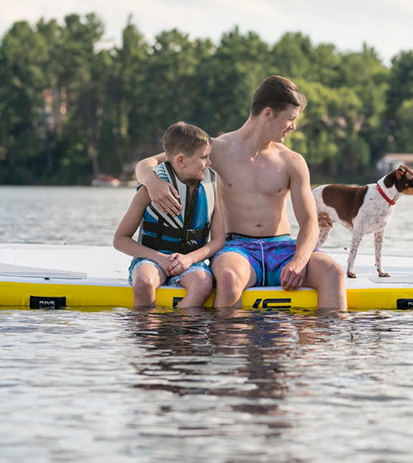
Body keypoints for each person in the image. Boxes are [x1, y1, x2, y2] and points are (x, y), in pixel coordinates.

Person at [135, 76, 347, 309]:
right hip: (237, 248)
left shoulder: (292, 161)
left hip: (283, 248)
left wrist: (299, 260)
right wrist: (152, 182)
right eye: (290, 119)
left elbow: (309, 222)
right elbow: (146, 164)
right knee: (228, 278)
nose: (293, 126)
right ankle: (228, 333)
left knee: (334, 272)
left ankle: (322, 334)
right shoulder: (217, 149)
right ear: (268, 113)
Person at [114, 121, 225, 308]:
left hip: (190, 262)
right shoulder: (150, 190)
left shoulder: (213, 187)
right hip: (151, 259)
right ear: (180, 161)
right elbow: (120, 240)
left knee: (202, 284)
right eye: (204, 157)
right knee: (144, 282)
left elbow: (218, 240)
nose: (210, 163)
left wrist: (189, 259)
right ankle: (148, 326)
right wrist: (159, 258)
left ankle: (176, 324)